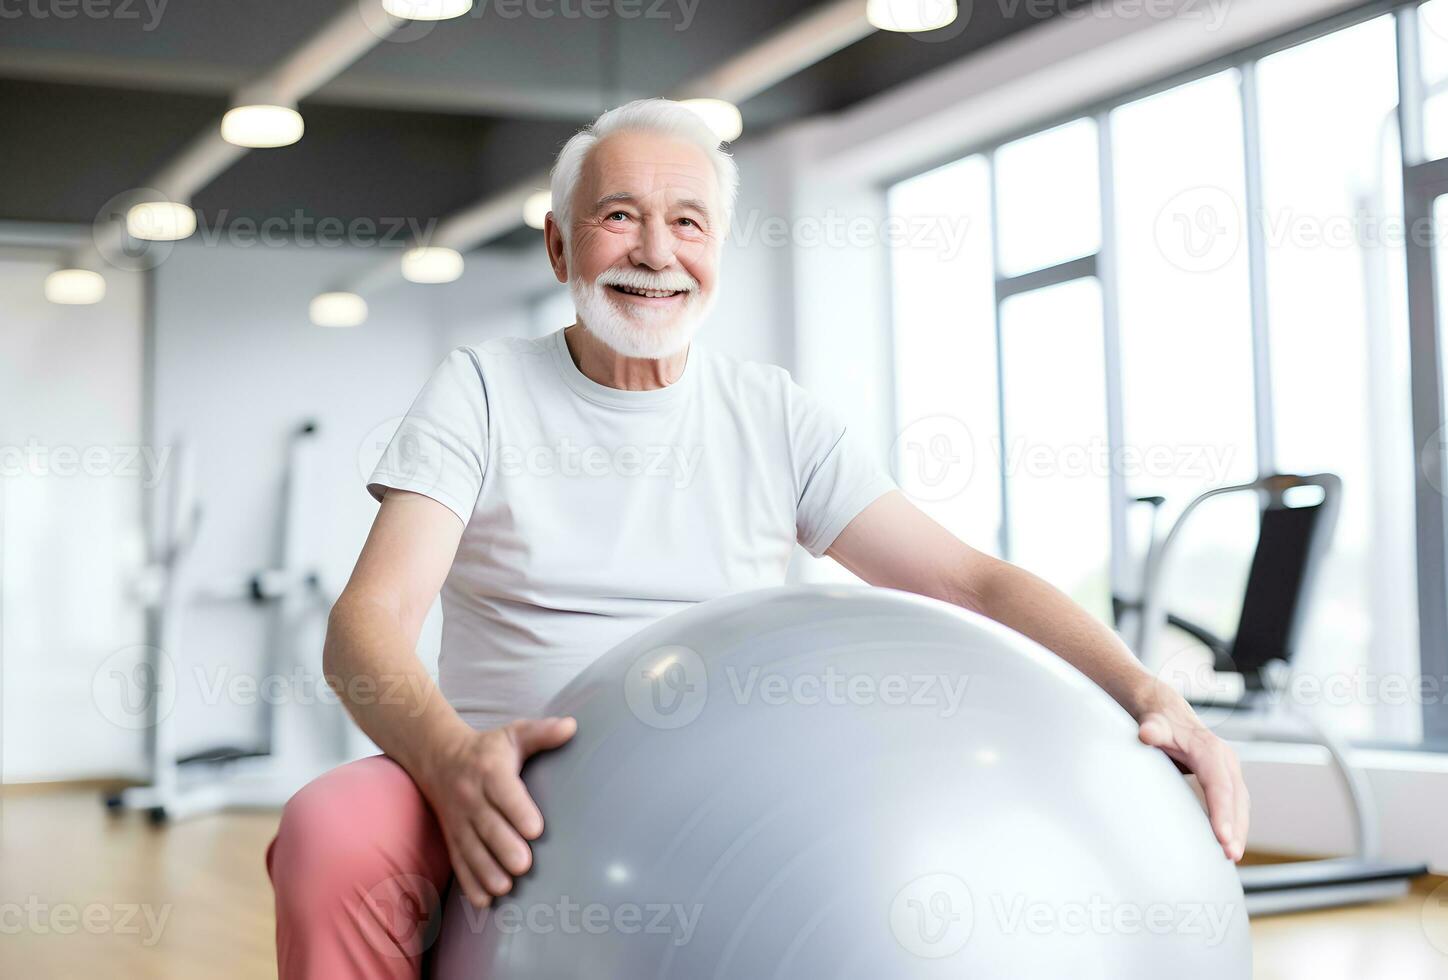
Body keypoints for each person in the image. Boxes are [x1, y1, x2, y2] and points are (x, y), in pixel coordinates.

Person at [267, 98, 1249, 979]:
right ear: (561, 248)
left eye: (687, 222)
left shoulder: (771, 414)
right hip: (499, 778)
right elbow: (370, 619)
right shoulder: (479, 390)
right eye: (618, 217)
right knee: (330, 831)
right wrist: (447, 760)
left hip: (725, 785)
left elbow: (969, 584)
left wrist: (1150, 691)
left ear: (718, 250)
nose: (656, 251)